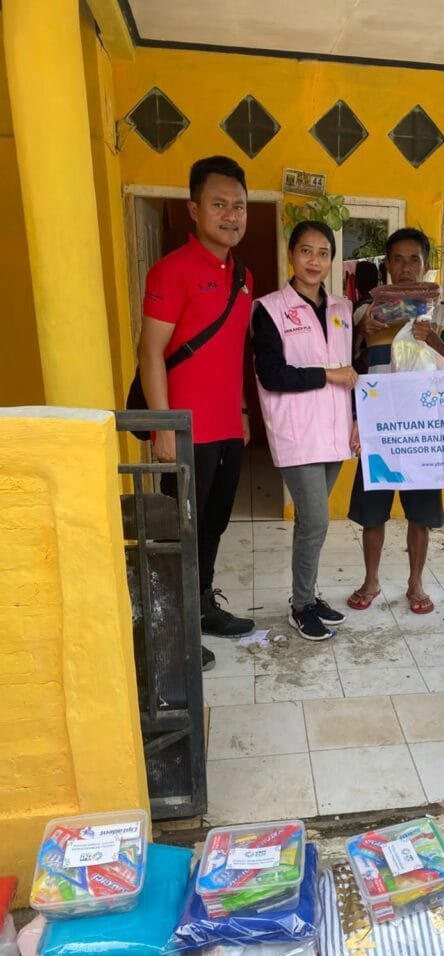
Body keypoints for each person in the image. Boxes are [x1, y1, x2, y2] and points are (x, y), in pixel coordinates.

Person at [138, 155, 255, 672]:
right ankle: (175, 628)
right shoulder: (171, 270)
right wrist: (164, 427)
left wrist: (245, 411)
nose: (231, 215)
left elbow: (234, 352)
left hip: (229, 428)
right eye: (218, 204)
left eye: (239, 206)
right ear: (193, 209)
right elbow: (150, 353)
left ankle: (203, 606)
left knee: (213, 526)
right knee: (178, 531)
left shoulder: (244, 276)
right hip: (185, 431)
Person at [347, 227, 444, 615]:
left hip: (423, 431)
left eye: (413, 258)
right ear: (386, 265)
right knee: (372, 513)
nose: (404, 266)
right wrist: (360, 334)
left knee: (420, 514)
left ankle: (416, 584)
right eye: (396, 259)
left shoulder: (442, 312)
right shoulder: (367, 312)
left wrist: (433, 339)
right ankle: (371, 580)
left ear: (425, 265)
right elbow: (346, 363)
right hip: (379, 428)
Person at [251, 220, 357, 642]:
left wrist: (354, 420)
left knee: (311, 524)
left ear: (332, 259)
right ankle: (300, 606)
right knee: (315, 520)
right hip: (296, 433)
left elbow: (350, 372)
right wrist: (329, 375)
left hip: (334, 432)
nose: (314, 261)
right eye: (306, 251)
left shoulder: (341, 309)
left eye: (323, 253)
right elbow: (272, 374)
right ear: (291, 254)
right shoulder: (269, 308)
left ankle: (309, 597)